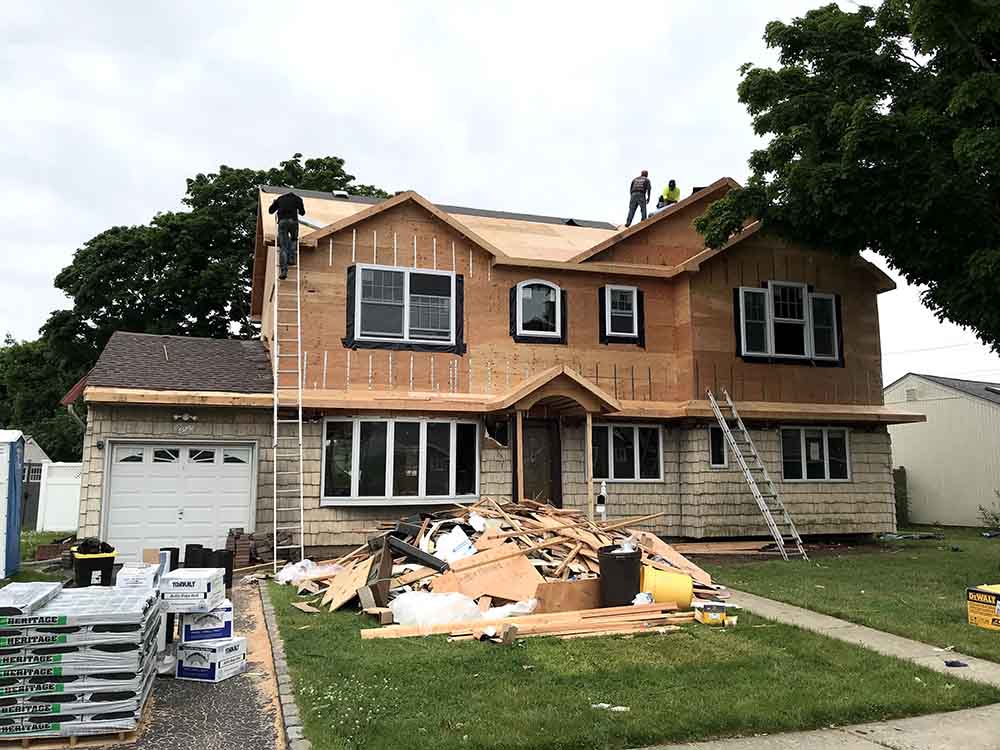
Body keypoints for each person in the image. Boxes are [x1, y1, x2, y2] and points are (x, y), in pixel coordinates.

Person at [268, 191, 306, 280]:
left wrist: (274, 203)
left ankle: (284, 271)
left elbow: (270, 211)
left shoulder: (280, 199)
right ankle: (291, 259)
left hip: (282, 222)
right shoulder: (298, 199)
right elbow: (302, 213)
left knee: (283, 247)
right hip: (293, 221)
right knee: (293, 239)